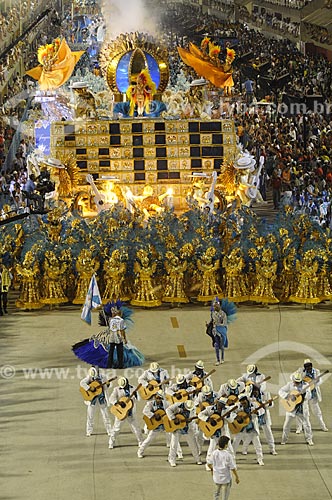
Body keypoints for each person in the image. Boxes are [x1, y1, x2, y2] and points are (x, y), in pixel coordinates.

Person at [72, 302, 144, 369]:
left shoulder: (111, 320)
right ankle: (120, 364)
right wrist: (124, 339)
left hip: (110, 338)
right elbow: (122, 331)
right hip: (118, 338)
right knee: (120, 351)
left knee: (111, 351)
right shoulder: (121, 321)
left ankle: (109, 364)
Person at [198, 396, 237, 471]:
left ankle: (232, 464)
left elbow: (231, 421)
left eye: (222, 406)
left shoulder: (228, 410)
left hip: (223, 431)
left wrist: (228, 416)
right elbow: (200, 415)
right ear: (217, 403)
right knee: (211, 448)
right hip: (214, 432)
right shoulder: (210, 409)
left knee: (229, 448)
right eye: (219, 405)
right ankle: (208, 464)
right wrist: (208, 419)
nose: (220, 407)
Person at [279, 372, 314, 446]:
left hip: (302, 409)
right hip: (291, 408)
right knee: (286, 425)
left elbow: (309, 396)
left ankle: (309, 439)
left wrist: (304, 395)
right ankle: (284, 439)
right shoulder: (290, 384)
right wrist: (288, 396)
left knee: (307, 424)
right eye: (295, 381)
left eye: (297, 382)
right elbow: (280, 391)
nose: (296, 383)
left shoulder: (306, 385)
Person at [108, 377, 143, 449]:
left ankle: (141, 442)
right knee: (116, 429)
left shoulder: (133, 388)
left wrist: (136, 395)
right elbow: (111, 398)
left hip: (131, 413)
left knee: (136, 428)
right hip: (121, 413)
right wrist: (117, 402)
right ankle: (111, 442)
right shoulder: (116, 389)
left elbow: (139, 399)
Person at [294, 359, 328, 433]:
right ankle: (299, 428)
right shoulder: (300, 370)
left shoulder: (317, 371)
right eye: (306, 367)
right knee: (300, 411)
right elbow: (293, 377)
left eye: (309, 366)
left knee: (317, 411)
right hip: (303, 395)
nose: (308, 368)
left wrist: (314, 383)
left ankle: (323, 426)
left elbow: (320, 381)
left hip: (313, 394)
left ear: (311, 366)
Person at [165, 399, 202, 467]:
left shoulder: (193, 409)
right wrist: (173, 418)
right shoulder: (177, 405)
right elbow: (168, 410)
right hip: (176, 428)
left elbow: (192, 419)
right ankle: (172, 459)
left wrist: (189, 421)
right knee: (174, 444)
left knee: (193, 444)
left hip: (187, 428)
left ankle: (198, 459)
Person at [232, 393, 265, 466]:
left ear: (247, 400)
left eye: (244, 401)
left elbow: (262, 410)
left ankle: (260, 458)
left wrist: (257, 412)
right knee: (235, 443)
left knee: (257, 444)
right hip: (241, 427)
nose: (243, 403)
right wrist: (237, 417)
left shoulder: (254, 405)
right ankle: (232, 458)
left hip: (251, 427)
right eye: (241, 401)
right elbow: (231, 413)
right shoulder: (237, 406)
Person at [79, 366, 112, 437]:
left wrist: (108, 384)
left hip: (101, 399)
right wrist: (89, 388)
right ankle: (89, 431)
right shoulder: (89, 377)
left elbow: (107, 385)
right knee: (90, 416)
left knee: (106, 415)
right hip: (92, 400)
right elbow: (82, 383)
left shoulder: (103, 377)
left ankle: (109, 431)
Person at [207, 436, 240, 500]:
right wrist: (237, 477)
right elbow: (232, 468)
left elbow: (209, 464)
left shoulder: (214, 453)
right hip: (226, 478)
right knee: (225, 496)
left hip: (216, 477)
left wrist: (212, 470)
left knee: (216, 493)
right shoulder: (228, 455)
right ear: (226, 445)